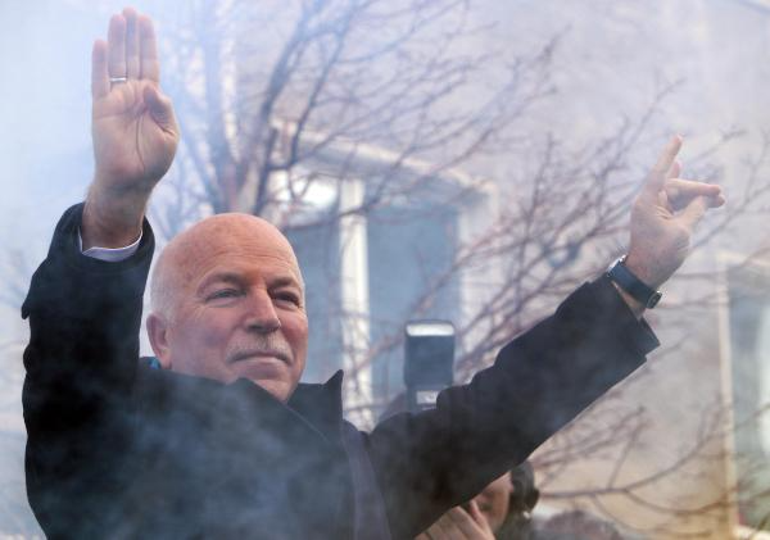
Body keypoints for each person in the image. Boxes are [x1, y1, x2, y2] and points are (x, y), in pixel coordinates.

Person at [21, 7, 725, 540]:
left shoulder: (361, 467)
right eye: (227, 291)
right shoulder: (105, 447)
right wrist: (115, 208)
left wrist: (635, 277)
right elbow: (72, 373)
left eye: (287, 295)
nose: (266, 314)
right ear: (162, 337)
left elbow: (501, 408)